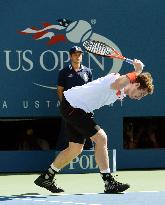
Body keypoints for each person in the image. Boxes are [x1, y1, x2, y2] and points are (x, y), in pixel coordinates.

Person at [34, 59, 154, 194]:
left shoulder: (123, 93)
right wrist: (137, 71)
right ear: (136, 84)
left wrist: (137, 73)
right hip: (74, 105)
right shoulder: (116, 78)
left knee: (75, 149)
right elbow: (117, 84)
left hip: (76, 107)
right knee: (101, 138)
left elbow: (121, 89)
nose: (139, 97)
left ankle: (46, 177)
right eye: (141, 93)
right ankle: (109, 182)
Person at [56, 46, 94, 150]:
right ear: (70, 56)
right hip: (69, 109)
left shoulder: (88, 71)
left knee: (88, 130)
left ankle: (89, 151)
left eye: (79, 55)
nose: (77, 57)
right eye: (75, 55)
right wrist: (65, 105)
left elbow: (90, 90)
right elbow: (60, 90)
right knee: (67, 133)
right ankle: (62, 156)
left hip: (84, 108)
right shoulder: (64, 72)